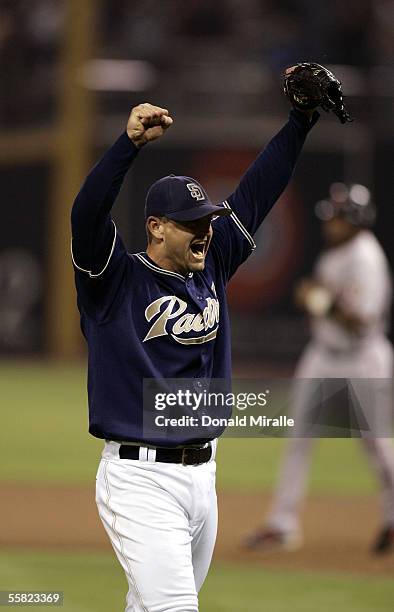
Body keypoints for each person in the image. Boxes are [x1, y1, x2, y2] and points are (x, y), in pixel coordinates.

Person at [70, 92, 319, 612]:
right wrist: (127, 146)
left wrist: (300, 121)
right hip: (140, 478)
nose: (206, 230)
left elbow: (256, 192)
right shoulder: (115, 279)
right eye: (191, 222)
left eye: (206, 219)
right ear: (156, 227)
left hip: (203, 479)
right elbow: (87, 214)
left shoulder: (212, 264)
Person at [244, 182, 394, 555]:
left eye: (340, 216)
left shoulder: (365, 259)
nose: (332, 221)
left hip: (363, 358)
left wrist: (320, 300)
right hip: (323, 354)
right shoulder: (336, 253)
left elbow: (361, 321)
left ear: (357, 220)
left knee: (378, 445)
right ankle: (282, 524)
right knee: (298, 438)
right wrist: (319, 301)